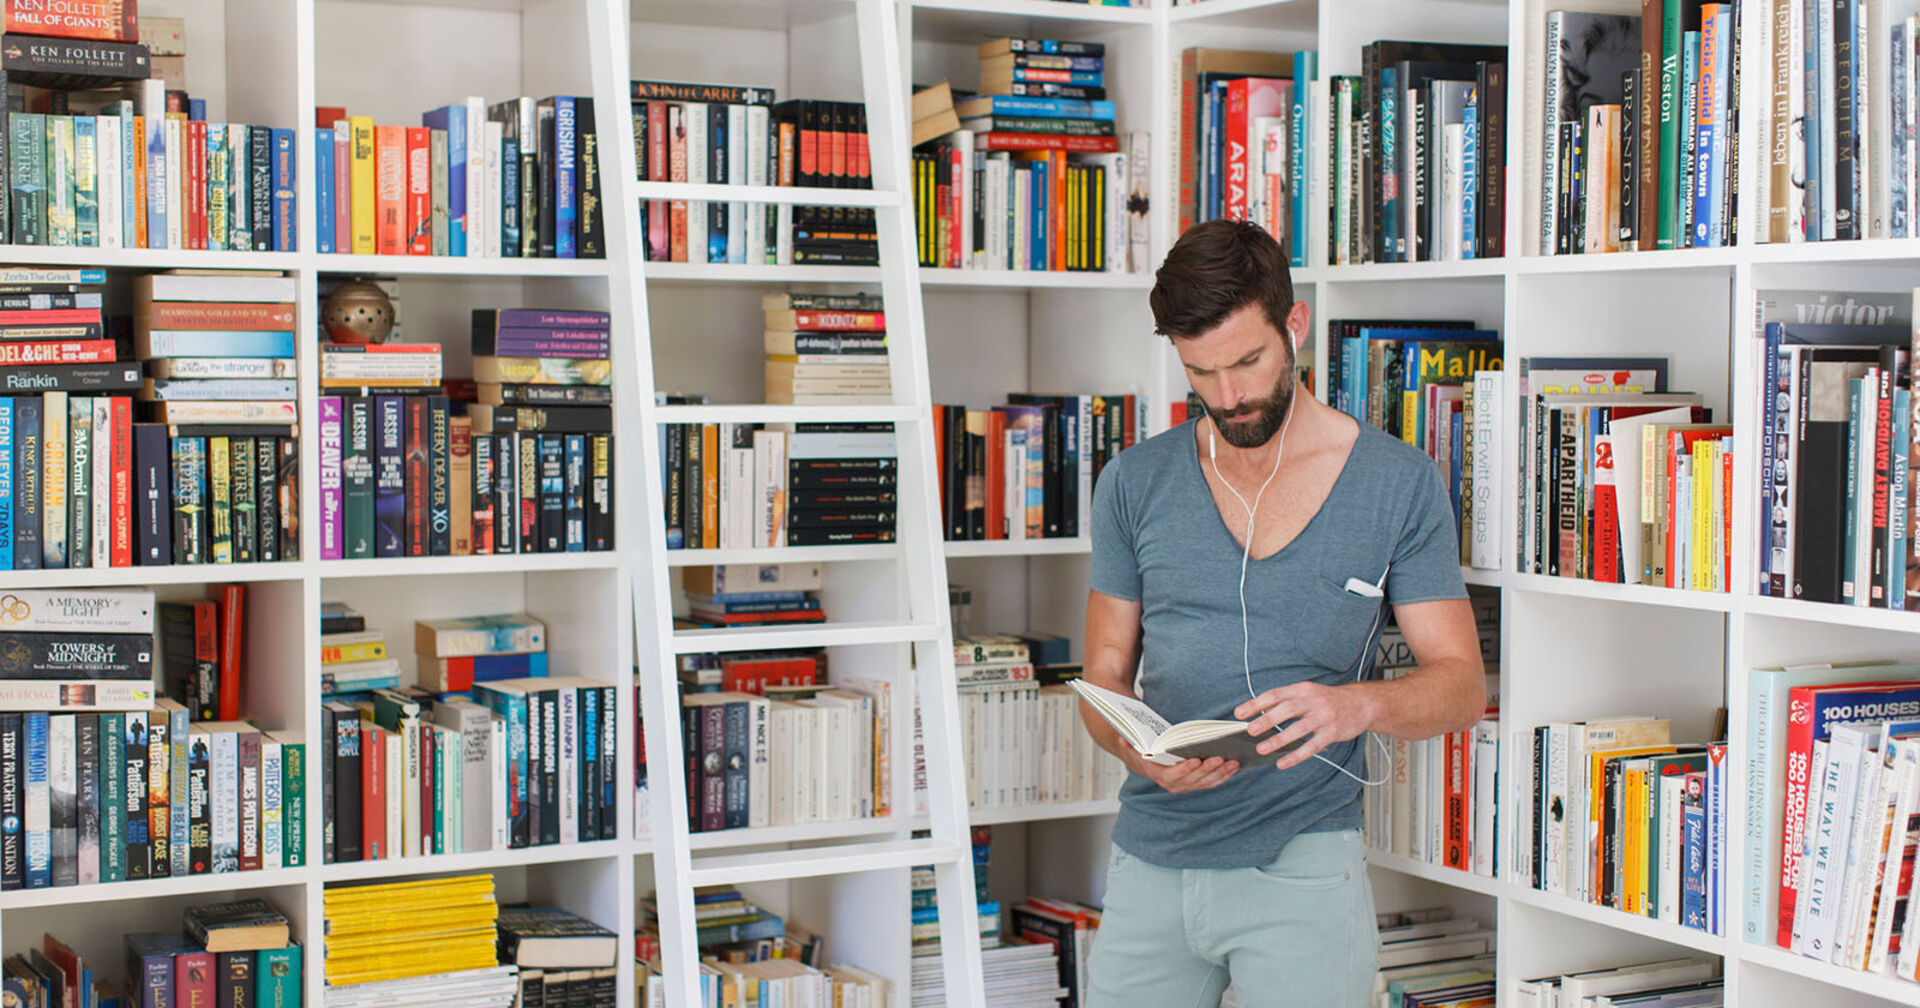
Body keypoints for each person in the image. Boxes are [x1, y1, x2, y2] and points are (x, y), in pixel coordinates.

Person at [1079, 220, 1487, 1008]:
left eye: (1248, 361)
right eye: (1202, 372)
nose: (1229, 396)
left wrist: (1353, 706)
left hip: (1303, 864)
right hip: (1150, 860)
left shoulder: (1398, 482)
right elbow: (1105, 677)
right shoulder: (1133, 482)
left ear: (1293, 327)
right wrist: (1137, 753)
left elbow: (1460, 685)